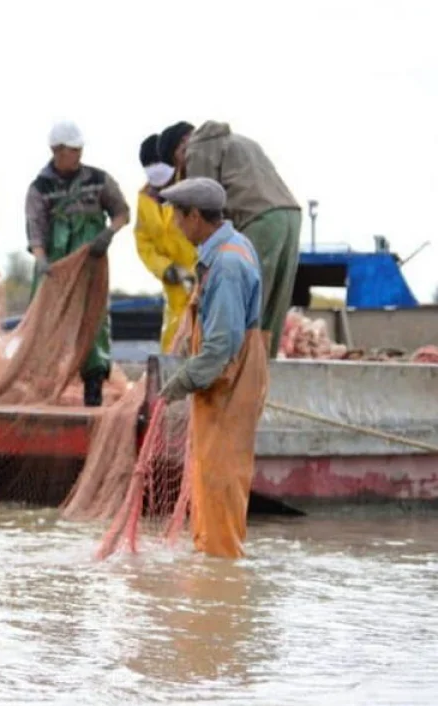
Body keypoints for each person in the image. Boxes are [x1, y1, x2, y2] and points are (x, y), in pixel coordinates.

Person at [156, 177, 270, 559]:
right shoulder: (231, 247)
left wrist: (179, 382)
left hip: (229, 382)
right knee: (211, 478)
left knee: (220, 483)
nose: (174, 224)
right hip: (225, 384)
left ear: (194, 216)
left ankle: (221, 582)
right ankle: (213, 579)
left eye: (177, 215)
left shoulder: (226, 263)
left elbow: (221, 347)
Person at [158, 120, 302, 357]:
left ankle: (238, 381)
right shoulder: (241, 142)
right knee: (271, 310)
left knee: (242, 308)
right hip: (289, 217)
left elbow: (203, 214)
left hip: (258, 220)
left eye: (178, 164)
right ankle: (265, 374)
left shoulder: (197, 150)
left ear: (180, 148)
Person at [24, 120, 130, 406]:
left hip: (90, 264)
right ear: (56, 151)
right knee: (45, 323)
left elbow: (121, 212)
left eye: (80, 149)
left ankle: (93, 382)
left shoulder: (98, 180)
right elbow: (35, 229)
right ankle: (41, 386)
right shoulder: (40, 188)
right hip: (56, 266)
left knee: (93, 321)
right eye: (73, 150)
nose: (78, 154)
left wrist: (107, 234)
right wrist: (42, 262)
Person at [133, 133, 197, 352]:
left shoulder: (190, 188)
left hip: (202, 281)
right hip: (175, 289)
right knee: (172, 347)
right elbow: (144, 244)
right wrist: (167, 269)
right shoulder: (144, 202)